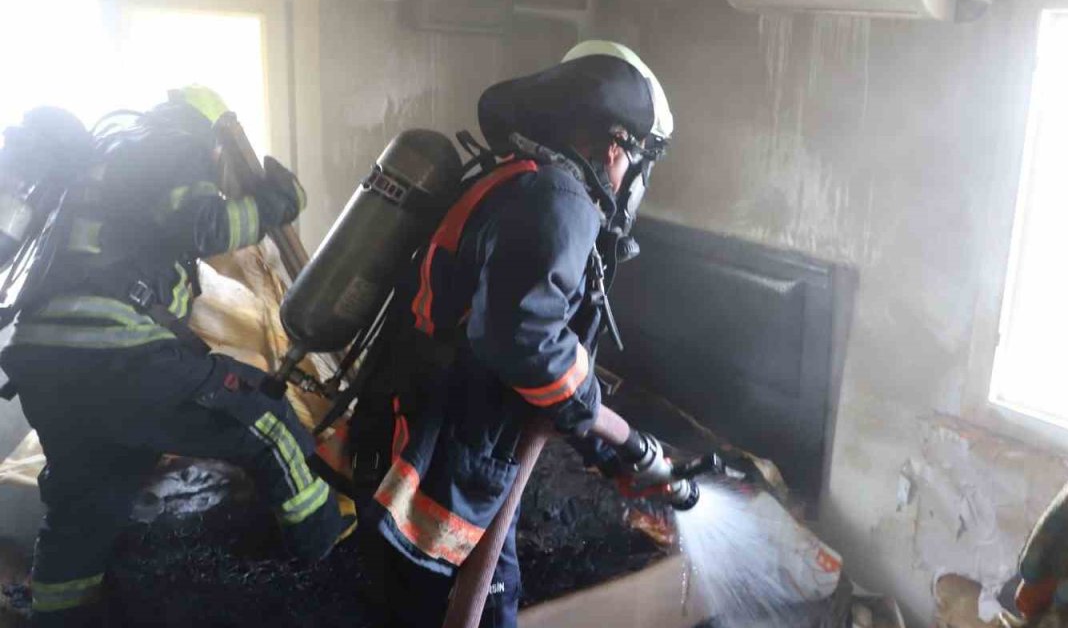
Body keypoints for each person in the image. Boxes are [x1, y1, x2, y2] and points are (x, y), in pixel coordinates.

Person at [347, 41, 680, 627]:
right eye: (637, 162)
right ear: (615, 146)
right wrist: (622, 435)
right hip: (442, 464)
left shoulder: (518, 179)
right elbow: (523, 340)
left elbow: (539, 353)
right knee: (480, 606)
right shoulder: (560, 197)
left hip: (423, 440)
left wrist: (609, 453)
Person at [0, 87, 348, 627]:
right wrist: (275, 204)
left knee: (84, 506)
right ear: (210, 134)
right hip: (114, 353)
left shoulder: (97, 170)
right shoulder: (174, 143)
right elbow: (205, 225)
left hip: (40, 361)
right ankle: (330, 557)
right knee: (265, 421)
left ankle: (58, 619)